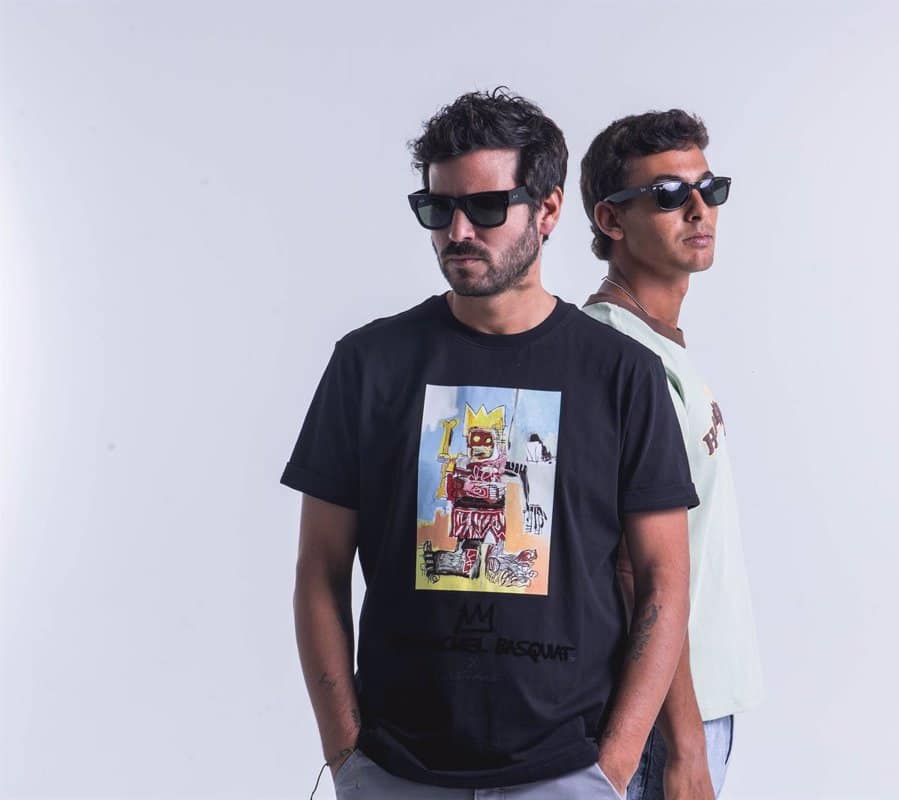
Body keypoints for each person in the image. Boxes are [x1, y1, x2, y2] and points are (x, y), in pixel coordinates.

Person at [282, 88, 698, 799]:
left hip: (567, 773)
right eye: (438, 208)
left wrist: (615, 765)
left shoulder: (623, 374)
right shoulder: (367, 364)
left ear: (549, 210)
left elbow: (664, 579)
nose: (458, 231)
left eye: (485, 207)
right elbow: (319, 569)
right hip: (395, 772)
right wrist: (346, 754)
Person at [579, 110, 764, 800]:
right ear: (611, 219)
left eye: (708, 189)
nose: (698, 209)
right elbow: (634, 567)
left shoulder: (657, 345)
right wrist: (684, 747)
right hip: (663, 722)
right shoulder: (616, 356)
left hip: (701, 704)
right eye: (666, 194)